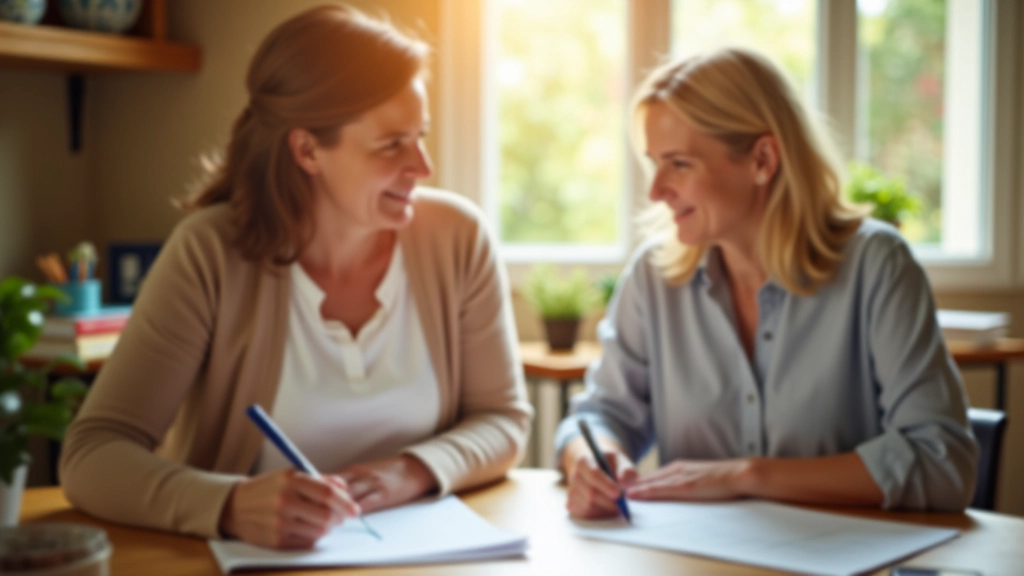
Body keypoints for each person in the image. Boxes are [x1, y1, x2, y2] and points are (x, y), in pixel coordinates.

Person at [60, 4, 532, 550]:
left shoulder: (458, 239)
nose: (423, 167)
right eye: (392, 144)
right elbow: (92, 455)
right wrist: (230, 504)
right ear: (307, 149)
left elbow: (502, 419)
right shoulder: (210, 254)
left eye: (420, 135)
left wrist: (412, 471)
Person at [556, 47, 977, 518]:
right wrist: (591, 459)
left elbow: (943, 462)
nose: (656, 190)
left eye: (679, 163)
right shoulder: (652, 278)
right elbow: (596, 418)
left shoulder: (877, 266)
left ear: (762, 159)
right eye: (655, 162)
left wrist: (746, 476)